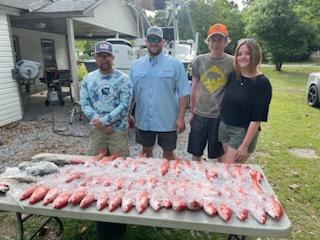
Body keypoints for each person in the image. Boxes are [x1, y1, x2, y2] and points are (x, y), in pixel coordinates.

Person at [80, 40, 132, 239]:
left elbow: (125, 105)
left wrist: (106, 121)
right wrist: (98, 122)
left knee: (122, 171)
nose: (103, 59)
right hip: (97, 132)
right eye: (100, 55)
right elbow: (84, 102)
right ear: (95, 57)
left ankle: (121, 215)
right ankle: (99, 211)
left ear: (112, 57)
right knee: (95, 170)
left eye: (107, 55)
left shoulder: (123, 79)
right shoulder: (88, 78)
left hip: (117, 132)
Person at [129, 26, 190, 160]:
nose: (154, 43)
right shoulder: (135, 65)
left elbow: (183, 94)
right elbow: (131, 93)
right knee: (146, 152)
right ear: (146, 41)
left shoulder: (176, 65)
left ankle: (169, 180)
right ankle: (151, 179)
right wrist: (128, 114)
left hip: (167, 120)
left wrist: (181, 118)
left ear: (163, 42)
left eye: (157, 39)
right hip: (144, 119)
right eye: (150, 39)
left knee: (168, 153)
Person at [218, 38, 272, 163]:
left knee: (229, 168)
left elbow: (256, 119)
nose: (243, 57)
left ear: (256, 56)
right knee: (223, 164)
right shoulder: (234, 75)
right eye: (240, 54)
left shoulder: (262, 83)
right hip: (224, 127)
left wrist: (245, 145)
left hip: (241, 132)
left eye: (248, 53)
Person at [187, 23, 234, 161]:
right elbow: (194, 88)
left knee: (218, 156)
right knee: (196, 154)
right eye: (213, 39)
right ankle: (195, 181)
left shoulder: (232, 62)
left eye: (220, 39)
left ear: (226, 42)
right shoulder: (199, 60)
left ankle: (215, 180)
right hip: (200, 114)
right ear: (208, 42)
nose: (216, 43)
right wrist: (192, 112)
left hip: (220, 117)